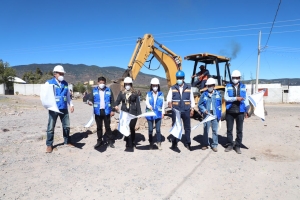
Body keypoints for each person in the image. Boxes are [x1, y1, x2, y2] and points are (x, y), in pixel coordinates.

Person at [45, 65, 74, 153]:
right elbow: (44, 96)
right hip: (54, 108)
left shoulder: (65, 83)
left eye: (63, 74)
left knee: (66, 126)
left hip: (64, 108)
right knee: (51, 127)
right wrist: (47, 105)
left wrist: (71, 105)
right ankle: (49, 145)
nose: (62, 75)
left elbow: (68, 96)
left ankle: (67, 141)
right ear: (55, 74)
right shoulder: (49, 83)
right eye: (60, 73)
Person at [167, 70, 195, 151]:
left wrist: (192, 109)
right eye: (178, 78)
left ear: (184, 78)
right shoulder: (172, 88)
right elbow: (169, 98)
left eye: (180, 78)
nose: (179, 79)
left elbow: (192, 99)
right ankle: (174, 143)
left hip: (186, 110)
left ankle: (188, 143)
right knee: (175, 127)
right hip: (176, 111)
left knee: (187, 128)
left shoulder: (189, 88)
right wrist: (169, 102)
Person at [224, 70, 249, 154]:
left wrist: (247, 110)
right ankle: (230, 144)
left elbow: (246, 99)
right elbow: (226, 98)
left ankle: (237, 146)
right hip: (230, 111)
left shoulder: (243, 87)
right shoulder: (227, 86)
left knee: (239, 130)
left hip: (240, 111)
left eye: (236, 78)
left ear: (239, 78)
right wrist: (235, 98)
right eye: (233, 78)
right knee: (229, 129)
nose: (235, 79)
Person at [88, 77, 115, 149]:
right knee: (99, 127)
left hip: (106, 111)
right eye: (100, 83)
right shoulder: (94, 90)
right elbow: (90, 99)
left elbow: (112, 101)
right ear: (97, 83)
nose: (102, 84)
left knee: (108, 127)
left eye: (103, 83)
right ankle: (99, 141)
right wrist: (89, 102)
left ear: (105, 83)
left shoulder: (109, 90)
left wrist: (112, 110)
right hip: (98, 111)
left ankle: (110, 141)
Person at [114, 77, 142, 148]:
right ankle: (127, 141)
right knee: (126, 127)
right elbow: (117, 101)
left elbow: (138, 104)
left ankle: (132, 141)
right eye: (126, 84)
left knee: (132, 127)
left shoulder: (135, 93)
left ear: (131, 84)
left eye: (129, 84)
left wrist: (139, 114)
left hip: (133, 113)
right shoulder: (121, 93)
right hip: (124, 113)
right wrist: (115, 105)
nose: (127, 85)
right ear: (124, 85)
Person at [198, 78, 222, 152]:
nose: (209, 87)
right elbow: (200, 104)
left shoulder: (218, 94)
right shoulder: (204, 94)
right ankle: (205, 144)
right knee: (206, 130)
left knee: (215, 130)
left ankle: (214, 145)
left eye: (211, 85)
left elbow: (220, 105)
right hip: (207, 114)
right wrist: (204, 110)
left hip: (214, 114)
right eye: (208, 86)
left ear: (214, 86)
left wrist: (219, 115)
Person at [145, 78, 165, 150]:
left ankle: (159, 143)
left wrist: (163, 112)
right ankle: (151, 143)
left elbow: (163, 104)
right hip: (150, 113)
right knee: (150, 129)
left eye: (156, 85)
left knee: (158, 129)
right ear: (151, 86)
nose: (155, 87)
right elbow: (146, 102)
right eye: (153, 85)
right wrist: (149, 106)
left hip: (158, 113)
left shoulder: (161, 94)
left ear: (158, 86)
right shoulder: (148, 94)